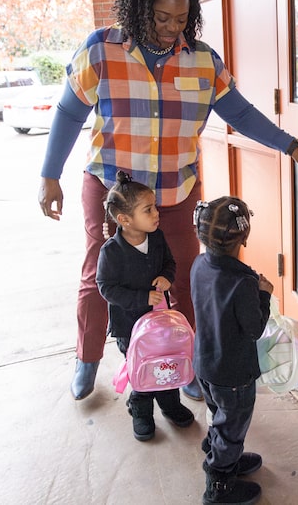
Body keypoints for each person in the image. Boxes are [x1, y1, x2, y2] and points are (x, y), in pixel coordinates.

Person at [38, 0, 298, 402]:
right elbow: (68, 113)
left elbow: (242, 114)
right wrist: (50, 175)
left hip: (175, 192)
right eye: (161, 18)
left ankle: (187, 361)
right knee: (100, 276)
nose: (172, 27)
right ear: (139, 8)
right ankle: (88, 357)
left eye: (181, 18)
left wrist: (292, 146)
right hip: (113, 194)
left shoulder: (202, 61)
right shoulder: (101, 50)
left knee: (184, 278)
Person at [96, 171, 195, 441]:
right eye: (148, 210)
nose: (156, 214)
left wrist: (167, 277)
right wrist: (141, 298)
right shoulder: (111, 252)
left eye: (154, 207)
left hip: (159, 322)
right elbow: (106, 287)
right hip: (130, 326)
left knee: (166, 362)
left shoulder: (157, 237)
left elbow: (169, 264)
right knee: (143, 368)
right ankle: (141, 410)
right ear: (125, 220)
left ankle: (170, 404)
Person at [191, 196, 270, 505]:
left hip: (205, 363)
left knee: (220, 414)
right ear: (244, 237)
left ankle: (218, 448)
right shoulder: (244, 281)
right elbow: (254, 329)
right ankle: (219, 482)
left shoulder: (199, 264)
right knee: (233, 425)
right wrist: (263, 295)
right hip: (234, 373)